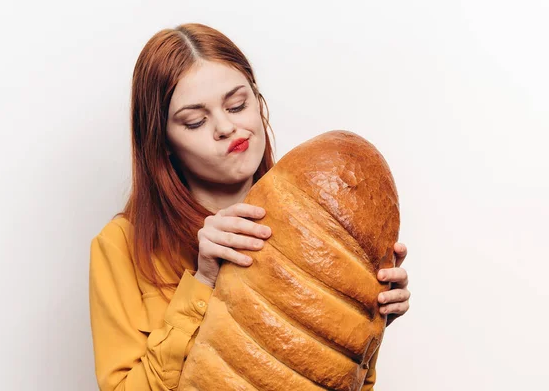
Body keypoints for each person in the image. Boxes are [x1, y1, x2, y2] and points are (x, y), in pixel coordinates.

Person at [89, 22, 411, 391]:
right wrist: (204, 280)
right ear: (161, 142)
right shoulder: (121, 247)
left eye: (237, 104)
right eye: (195, 121)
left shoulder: (313, 221)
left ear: (258, 103)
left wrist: (361, 329)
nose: (226, 127)